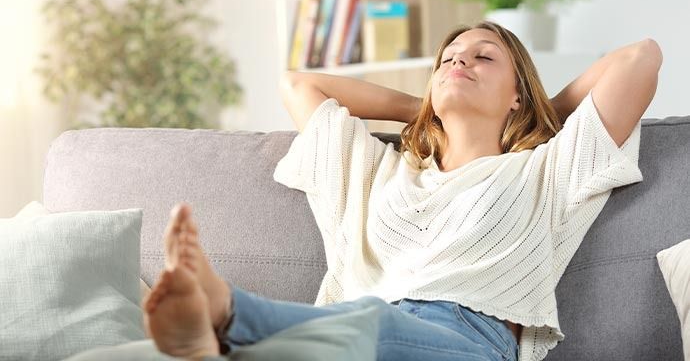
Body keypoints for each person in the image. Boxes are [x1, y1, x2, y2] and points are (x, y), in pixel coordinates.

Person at [142, 21, 662, 361]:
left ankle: (229, 317)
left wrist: (538, 112)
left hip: (466, 342)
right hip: (355, 330)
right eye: (449, 59)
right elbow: (299, 85)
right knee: (364, 322)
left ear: (516, 93)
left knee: (367, 323)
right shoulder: (379, 170)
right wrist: (425, 104)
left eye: (484, 58)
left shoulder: (547, 171)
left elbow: (640, 58)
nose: (459, 62)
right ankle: (223, 333)